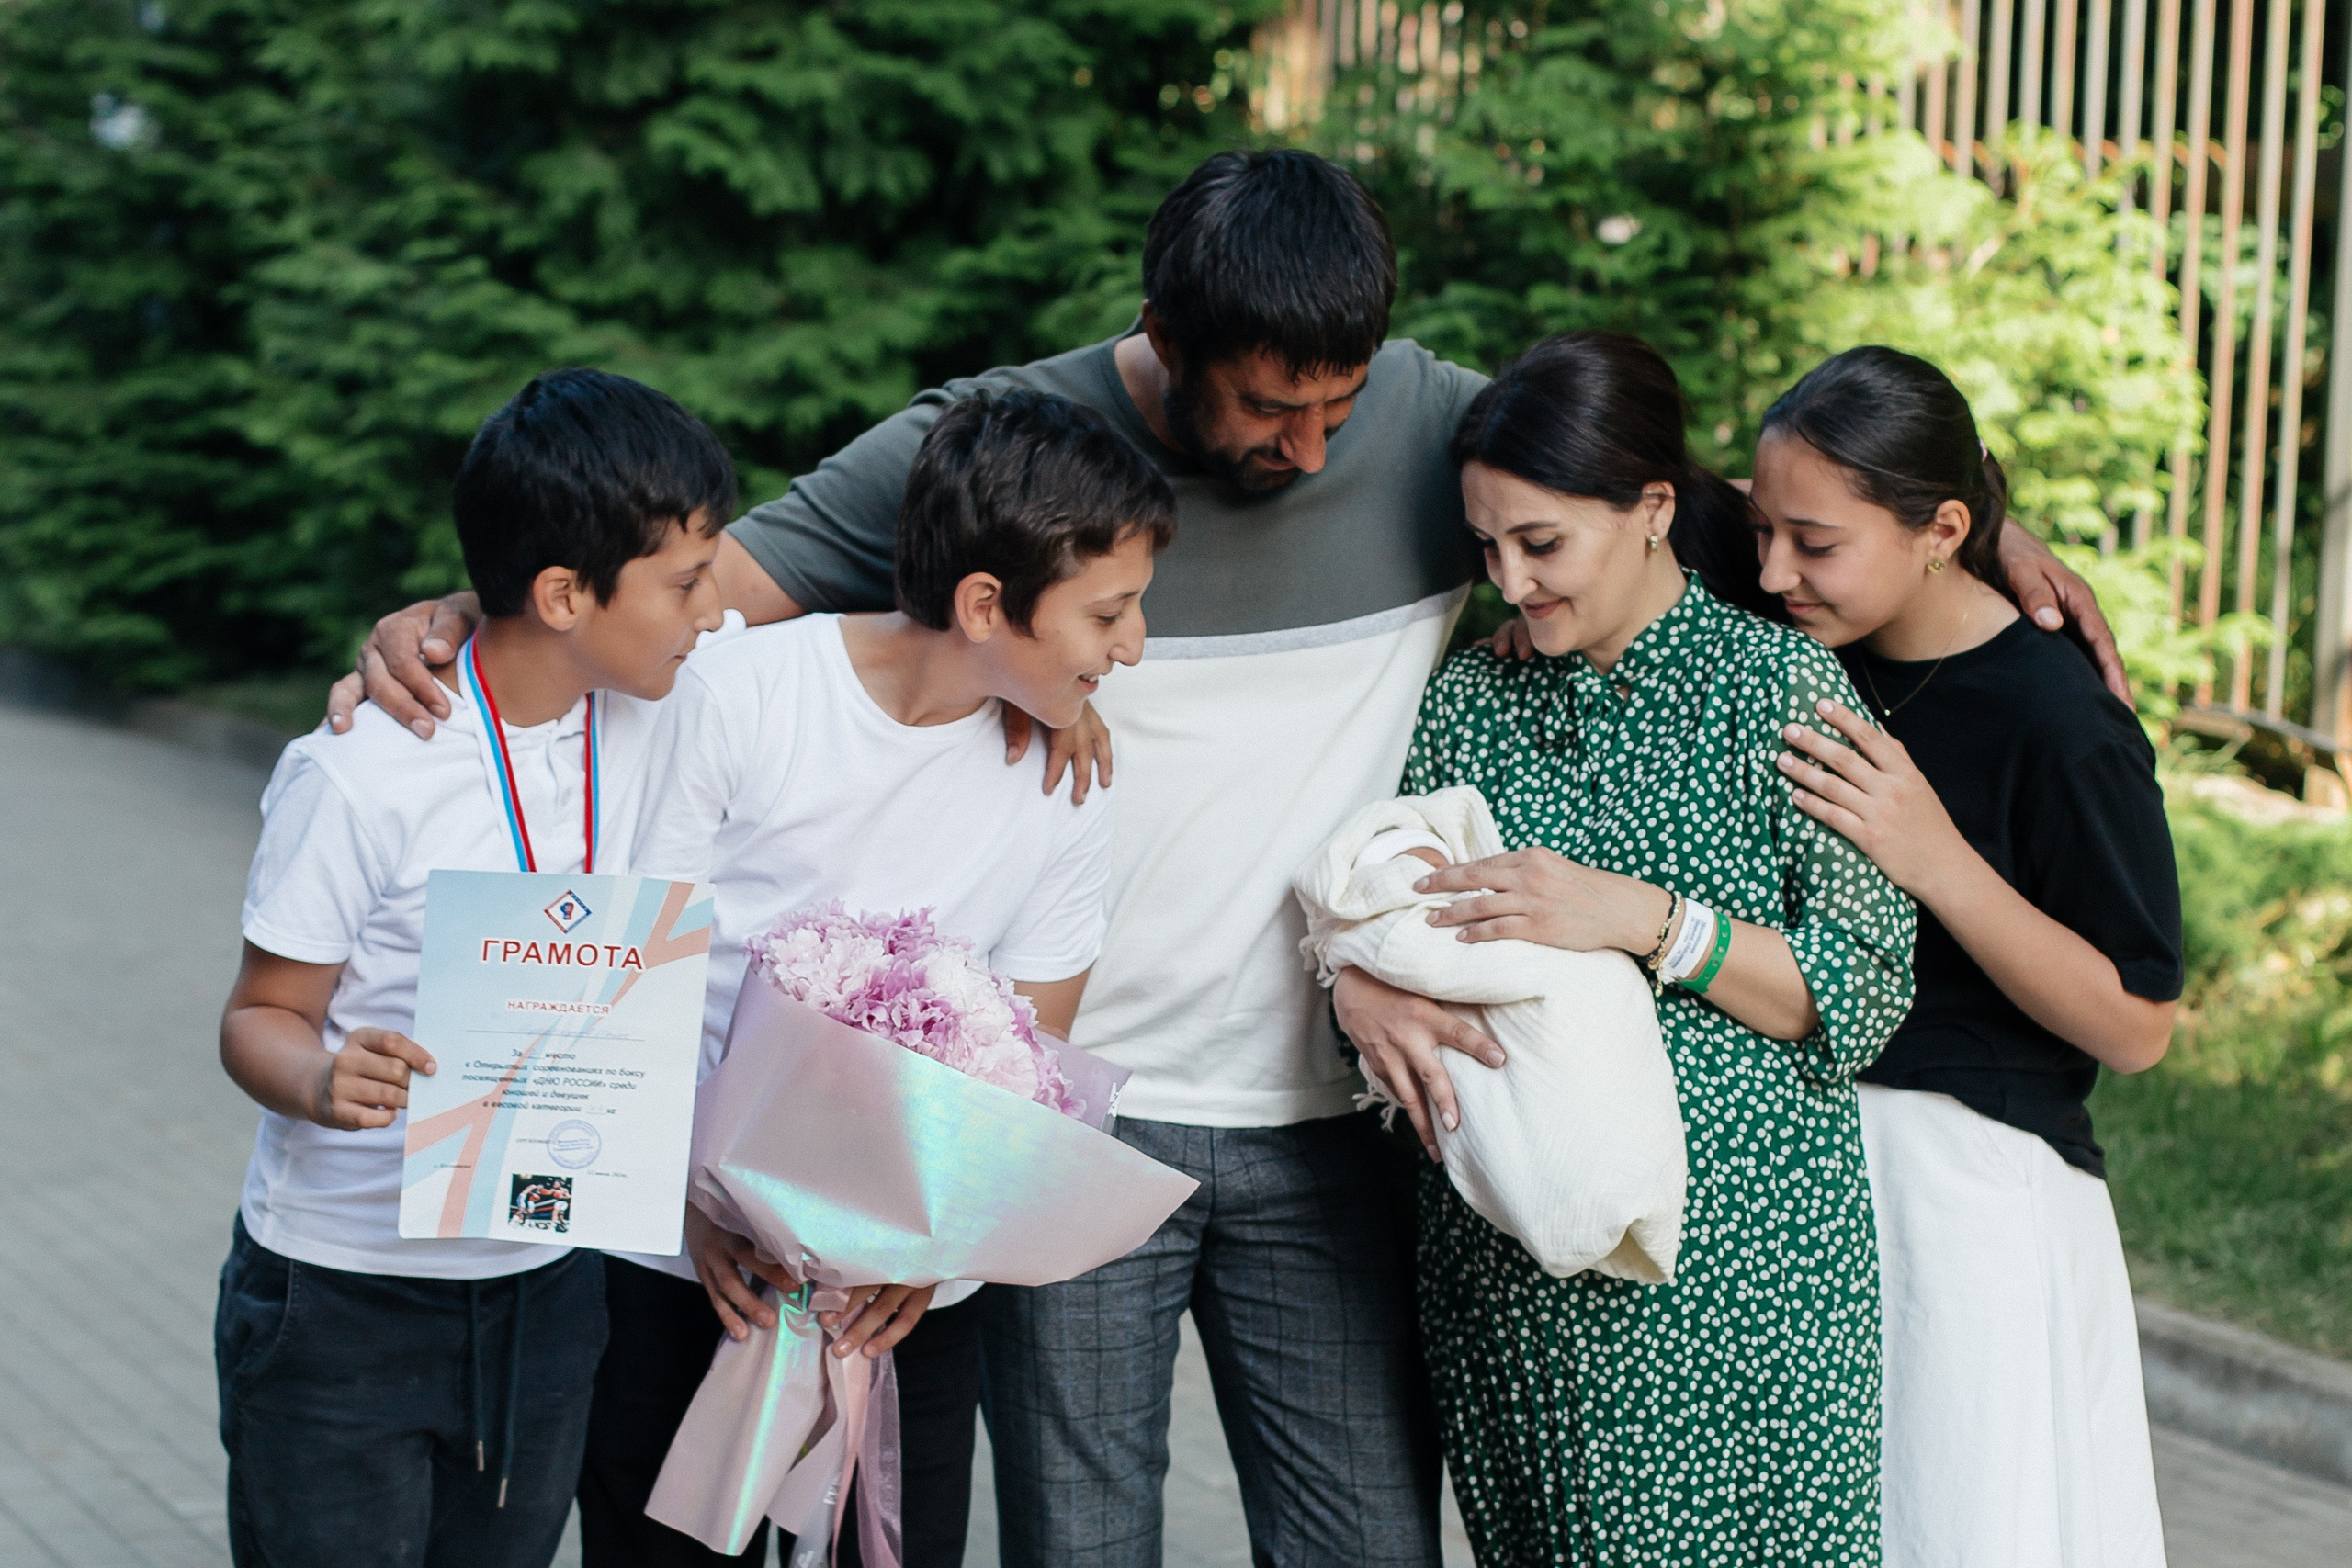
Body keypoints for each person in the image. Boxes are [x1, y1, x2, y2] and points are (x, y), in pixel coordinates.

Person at [330, 150, 2113, 1567]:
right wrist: (467, 619)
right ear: (1163, 347)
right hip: (1081, 1127)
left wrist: (1982, 537)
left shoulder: (1435, 430)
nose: (1310, 445)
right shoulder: (991, 452)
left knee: (1355, 1537)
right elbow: (662, 591)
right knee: (1079, 1538)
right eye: (1269, 408)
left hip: (1335, 1131)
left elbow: (1664, 474)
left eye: (1338, 404)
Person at [1337, 331, 1916, 1563]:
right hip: (1514, 1278)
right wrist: (1358, 982)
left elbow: (1858, 989)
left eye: (1540, 544)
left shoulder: (1781, 690)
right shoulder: (1470, 700)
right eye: (1487, 547)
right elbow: (1388, 910)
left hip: (1740, 1279)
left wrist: (1648, 919)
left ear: (1653, 508)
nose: (1509, 580)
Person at [584, 388, 1170, 1568]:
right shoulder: (741, 695)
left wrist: (933, 1252)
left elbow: (1026, 1060)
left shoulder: (1063, 779)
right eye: (1109, 612)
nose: (1134, 646)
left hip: (905, 1311)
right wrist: (691, 1207)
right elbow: (619, 975)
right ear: (985, 603)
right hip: (688, 1274)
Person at [213, 369, 733, 1568]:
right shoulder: (361, 767)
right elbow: (259, 1013)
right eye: (689, 582)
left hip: (549, 1286)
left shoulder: (670, 710)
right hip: (343, 1297)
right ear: (563, 592)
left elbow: (882, 652)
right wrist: (322, 1074)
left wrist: (1055, 685)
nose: (713, 610)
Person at [1753, 346, 2179, 1568]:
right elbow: (1613, 497)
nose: (1777, 570)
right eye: (1764, 530)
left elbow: (2139, 1020)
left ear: (1939, 528)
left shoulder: (2061, 719)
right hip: (1804, 1177)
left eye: (1815, 541)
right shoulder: (1802, 624)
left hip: (1970, 1201)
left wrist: (1933, 853)